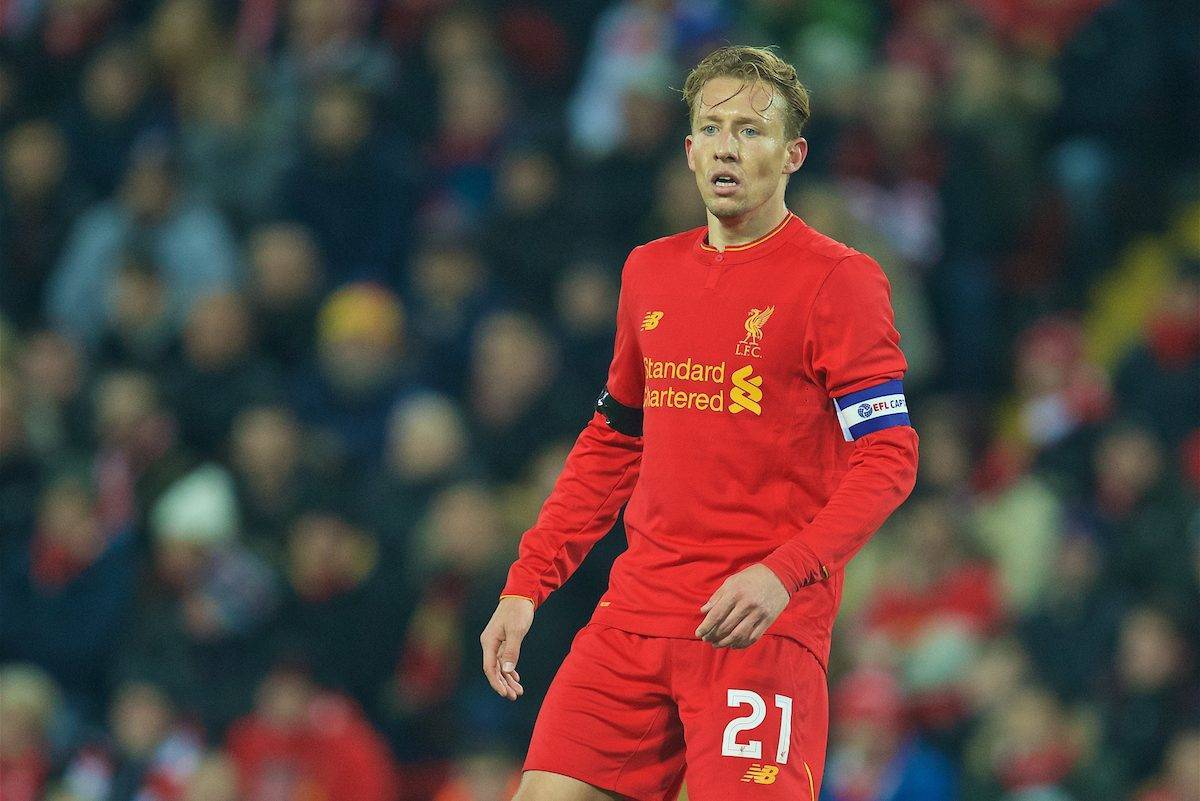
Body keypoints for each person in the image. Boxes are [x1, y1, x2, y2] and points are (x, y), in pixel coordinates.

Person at [479, 46, 919, 801]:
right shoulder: (648, 271)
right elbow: (614, 441)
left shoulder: (839, 280)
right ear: (688, 152)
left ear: (793, 155)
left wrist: (783, 574)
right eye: (711, 128)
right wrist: (527, 582)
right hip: (634, 617)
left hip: (757, 632)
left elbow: (888, 457)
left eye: (751, 130)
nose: (726, 145)